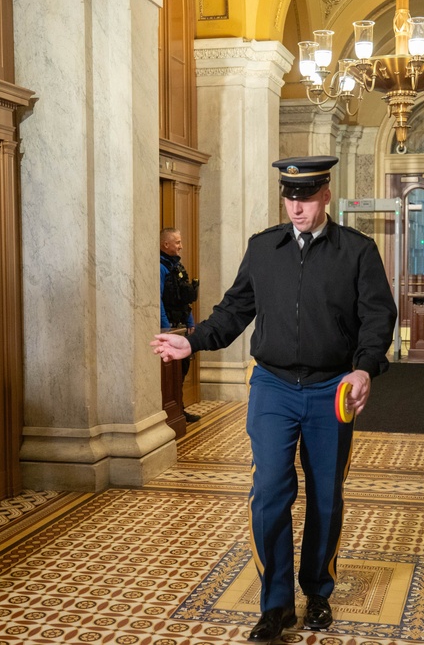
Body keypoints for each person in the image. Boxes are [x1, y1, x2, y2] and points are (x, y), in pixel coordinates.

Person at [151, 155, 397, 642]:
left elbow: (377, 318)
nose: (297, 206)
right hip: (274, 387)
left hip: (333, 389)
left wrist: (364, 368)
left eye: (306, 196)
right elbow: (234, 310)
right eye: (290, 196)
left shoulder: (358, 251)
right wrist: (191, 340)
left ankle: (318, 592)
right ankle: (277, 604)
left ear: (326, 195)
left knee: (326, 495)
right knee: (269, 494)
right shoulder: (264, 249)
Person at [160, 227, 200, 423]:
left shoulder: (176, 266)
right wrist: (167, 327)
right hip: (170, 328)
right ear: (166, 244)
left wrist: (190, 322)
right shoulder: (160, 267)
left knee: (180, 371)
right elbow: (158, 299)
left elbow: (183, 300)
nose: (181, 246)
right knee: (170, 374)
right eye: (177, 242)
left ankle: (179, 409)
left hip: (181, 325)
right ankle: (173, 413)